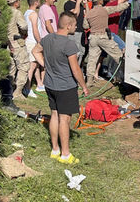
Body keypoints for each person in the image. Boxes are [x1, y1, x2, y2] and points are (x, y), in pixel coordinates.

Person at [32, 12, 89, 165]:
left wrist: (46, 65)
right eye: (75, 25)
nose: (76, 27)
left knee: (54, 115)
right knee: (65, 119)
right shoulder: (69, 44)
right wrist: (84, 86)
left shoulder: (47, 38)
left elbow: (35, 51)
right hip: (66, 87)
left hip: (50, 84)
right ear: (68, 25)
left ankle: (55, 150)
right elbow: (76, 69)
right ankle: (65, 154)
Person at [83, 0, 131, 87]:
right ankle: (128, 77)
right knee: (118, 55)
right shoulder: (105, 10)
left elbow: (85, 26)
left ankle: (89, 81)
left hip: (92, 38)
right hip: (103, 37)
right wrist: (128, 4)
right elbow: (118, 8)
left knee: (92, 60)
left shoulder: (89, 13)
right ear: (100, 1)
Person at [6, 0, 30, 101]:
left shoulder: (4, 13)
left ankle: (8, 89)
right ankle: (18, 92)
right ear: (15, 3)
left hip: (8, 43)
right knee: (24, 66)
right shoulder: (17, 13)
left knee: (11, 67)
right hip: (17, 43)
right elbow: (23, 26)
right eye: (18, 1)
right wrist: (24, 31)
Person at [23, 0, 44, 97]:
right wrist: (40, 41)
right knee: (32, 66)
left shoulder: (26, 13)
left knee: (35, 64)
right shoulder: (34, 14)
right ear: (36, 2)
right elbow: (35, 29)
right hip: (32, 41)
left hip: (29, 41)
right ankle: (27, 88)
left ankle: (39, 84)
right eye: (39, 1)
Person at [64, 0, 86, 66]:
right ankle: (71, 71)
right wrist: (78, 2)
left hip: (81, 31)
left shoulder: (80, 5)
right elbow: (75, 14)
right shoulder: (68, 4)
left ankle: (77, 70)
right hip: (73, 32)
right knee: (75, 53)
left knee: (81, 52)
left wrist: (85, 4)